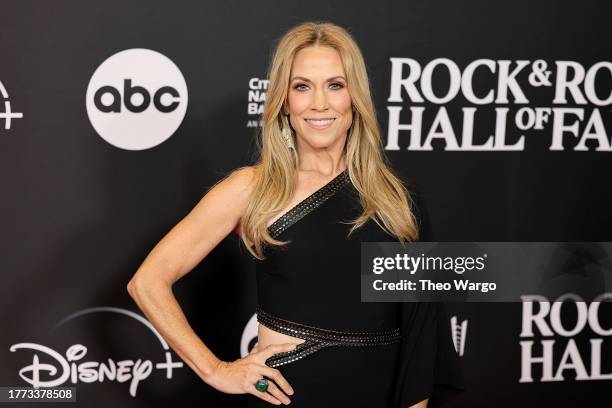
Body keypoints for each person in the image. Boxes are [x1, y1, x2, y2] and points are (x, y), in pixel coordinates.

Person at [127, 21, 465, 407]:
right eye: (302, 86)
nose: (319, 103)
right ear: (284, 102)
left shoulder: (399, 198)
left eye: (335, 85)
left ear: (354, 98)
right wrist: (215, 370)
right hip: (289, 396)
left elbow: (422, 330)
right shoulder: (251, 189)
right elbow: (147, 282)